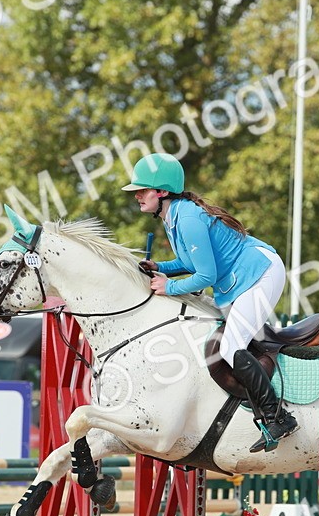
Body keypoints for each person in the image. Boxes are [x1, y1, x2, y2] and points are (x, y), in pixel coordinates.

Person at [122, 152, 298, 452]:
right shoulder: (173, 216)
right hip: (241, 278)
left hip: (261, 272)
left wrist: (169, 286)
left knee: (230, 347)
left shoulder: (188, 218)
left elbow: (206, 275)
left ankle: (278, 417)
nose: (137, 195)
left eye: (143, 190)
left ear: (162, 192)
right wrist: (161, 267)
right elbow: (190, 262)